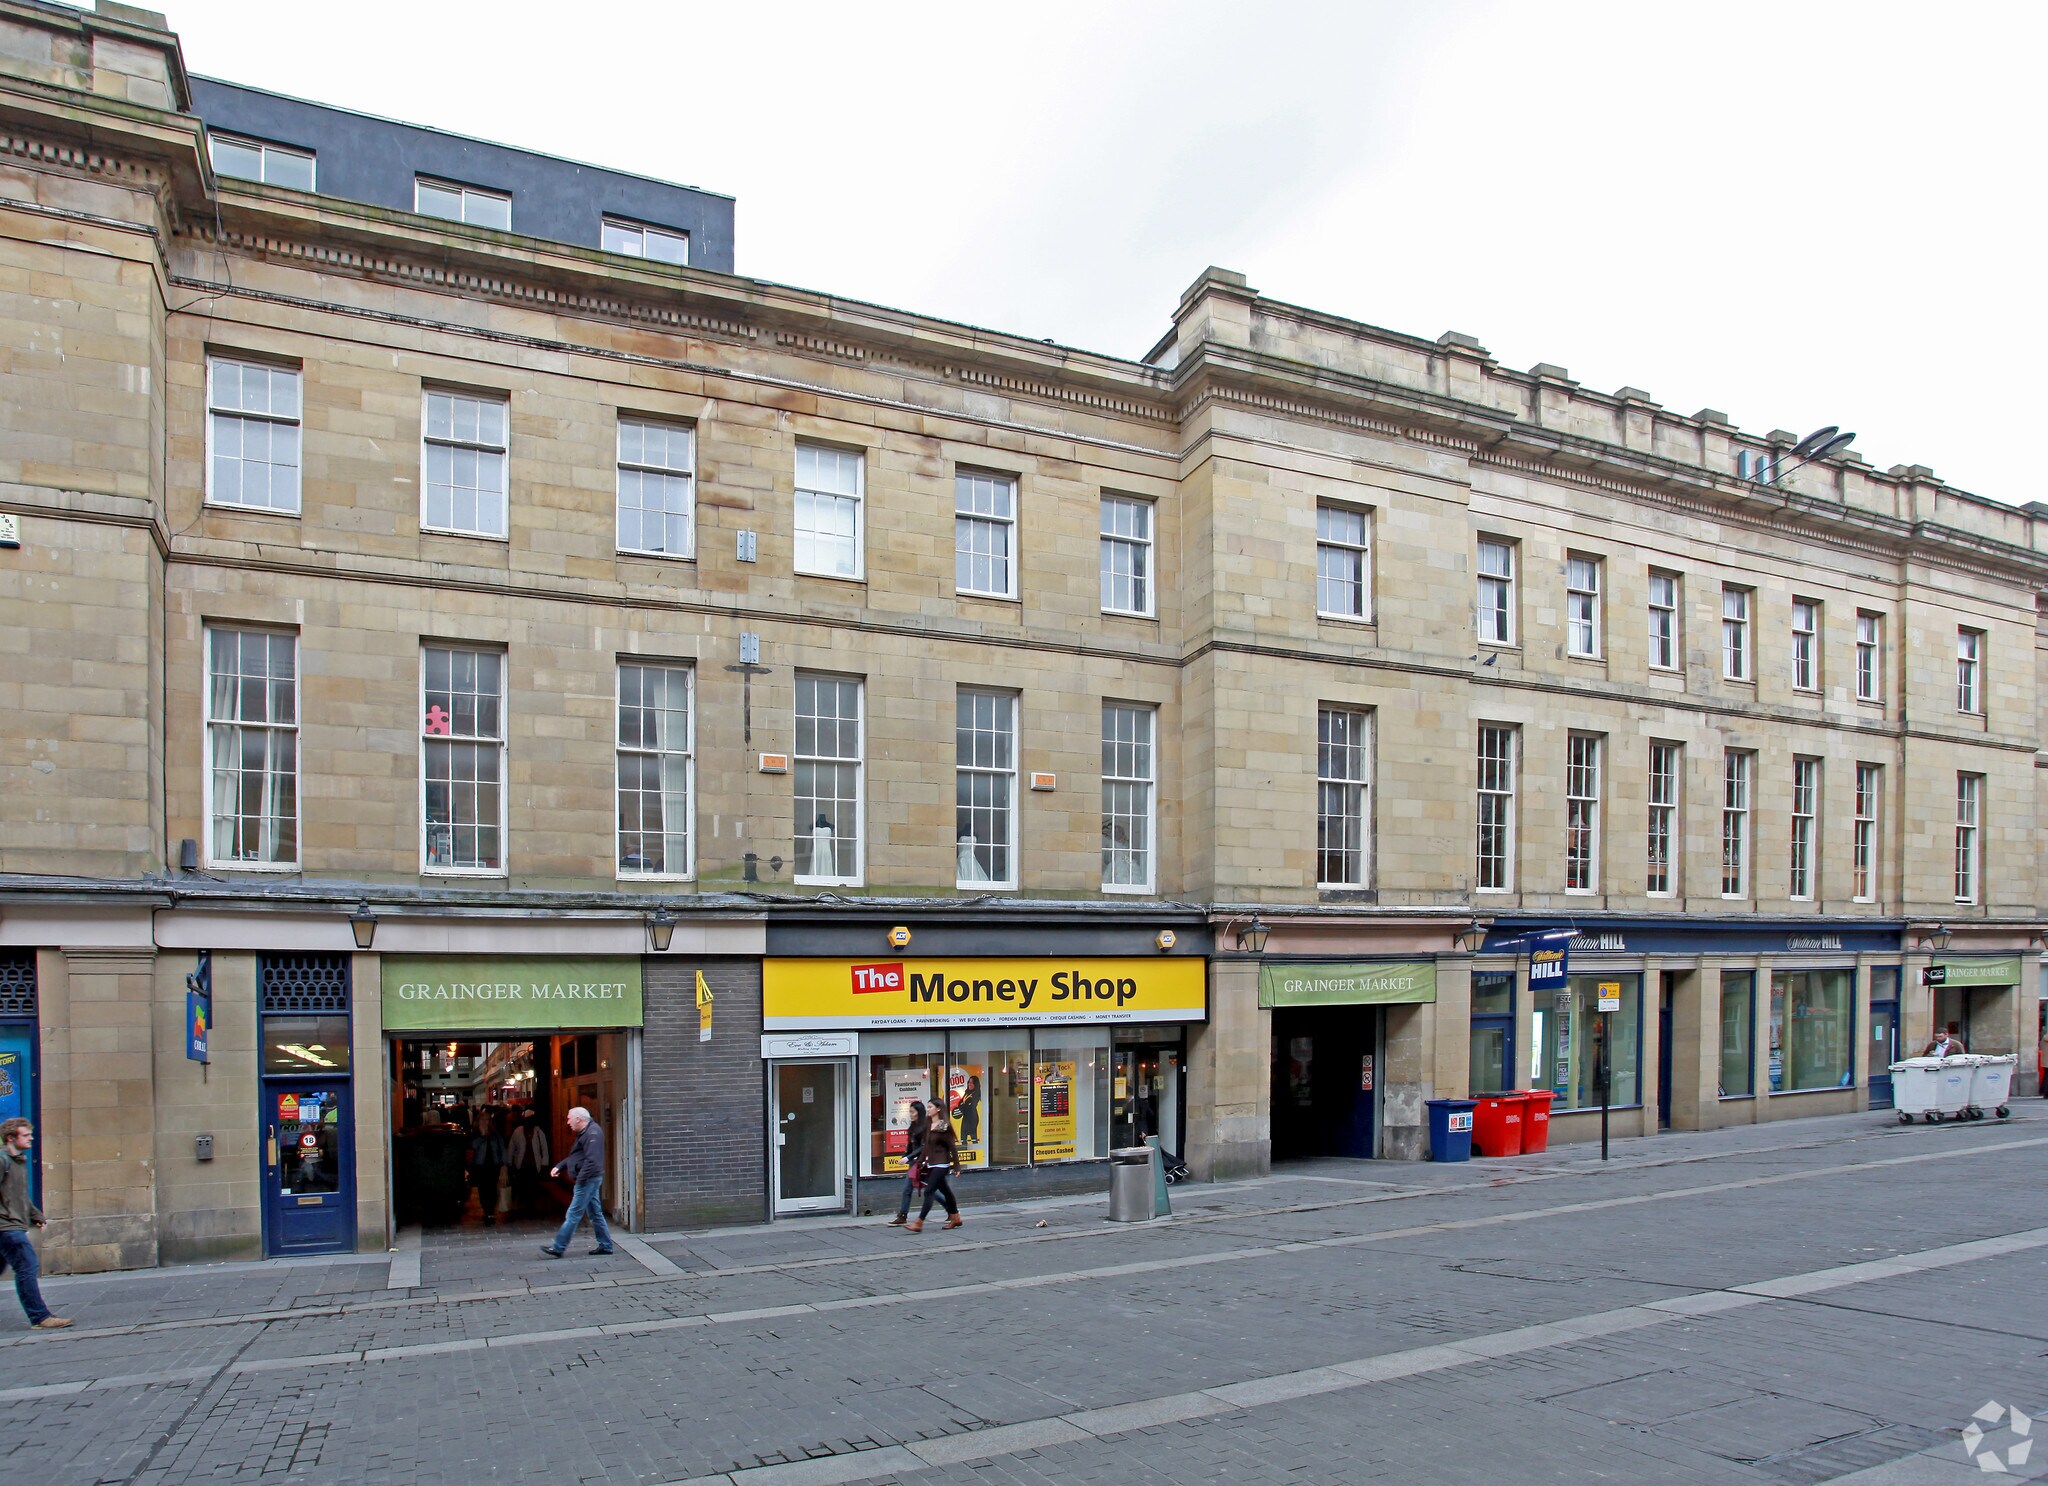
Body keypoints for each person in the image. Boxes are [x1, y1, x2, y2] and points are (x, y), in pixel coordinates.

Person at [0, 1117, 69, 1330]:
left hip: (13, 1224)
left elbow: (19, 1195)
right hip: (7, 1227)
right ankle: (39, 1317)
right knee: (27, 1266)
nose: (31, 1138)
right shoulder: (2, 1161)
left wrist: (35, 1214)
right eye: (26, 1135)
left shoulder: (18, 1161)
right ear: (11, 1138)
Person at [541, 1107, 613, 1258]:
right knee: (595, 1213)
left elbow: (592, 1161)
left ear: (578, 1119)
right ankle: (606, 1245)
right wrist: (560, 1166)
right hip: (590, 1179)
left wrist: (580, 1180)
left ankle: (558, 1247)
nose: (568, 1122)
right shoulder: (586, 1132)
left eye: (569, 1119)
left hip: (587, 1180)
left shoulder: (592, 1133)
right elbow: (578, 1157)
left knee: (573, 1214)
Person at [905, 1105, 961, 1233]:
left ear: (938, 1109)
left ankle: (919, 1222)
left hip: (942, 1164)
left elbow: (952, 1146)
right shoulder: (929, 1124)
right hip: (931, 1164)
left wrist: (957, 1165)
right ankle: (955, 1217)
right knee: (946, 1191)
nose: (928, 1109)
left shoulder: (943, 1125)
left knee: (928, 1191)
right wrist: (919, 1162)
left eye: (931, 1107)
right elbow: (926, 1147)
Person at [884, 1100, 928, 1226]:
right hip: (913, 1163)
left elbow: (923, 1147)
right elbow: (911, 1145)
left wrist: (908, 1157)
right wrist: (904, 1156)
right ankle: (903, 1215)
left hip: (921, 1162)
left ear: (919, 1113)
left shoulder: (924, 1127)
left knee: (931, 1190)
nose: (910, 1114)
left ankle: (951, 1210)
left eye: (912, 1112)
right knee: (908, 1189)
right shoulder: (912, 1127)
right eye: (910, 1111)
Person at [506, 1106, 550, 1217]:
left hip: (535, 1165)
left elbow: (544, 1149)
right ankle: (525, 1206)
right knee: (523, 1187)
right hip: (521, 1165)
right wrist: (509, 1163)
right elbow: (512, 1147)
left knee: (533, 1187)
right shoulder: (518, 1132)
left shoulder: (539, 1132)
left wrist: (545, 1164)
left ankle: (531, 1207)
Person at [467, 1108, 507, 1226]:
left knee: (492, 1188)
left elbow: (502, 1148)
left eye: (487, 1120)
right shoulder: (475, 1133)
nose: (485, 1122)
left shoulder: (495, 1133)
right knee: (483, 1189)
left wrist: (504, 1164)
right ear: (478, 1121)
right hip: (480, 1166)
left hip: (493, 1165)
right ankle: (486, 1210)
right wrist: (483, 1136)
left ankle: (490, 1212)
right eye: (483, 1120)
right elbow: (473, 1146)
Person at [956, 1077, 981, 1146]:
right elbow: (960, 1103)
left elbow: (971, 1105)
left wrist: (963, 1106)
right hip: (966, 1117)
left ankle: (977, 1152)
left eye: (972, 1083)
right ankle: (965, 1151)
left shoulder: (976, 1093)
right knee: (963, 1136)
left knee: (973, 1137)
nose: (970, 1084)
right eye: (969, 1082)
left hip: (972, 1117)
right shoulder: (967, 1092)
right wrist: (963, 1106)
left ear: (975, 1084)